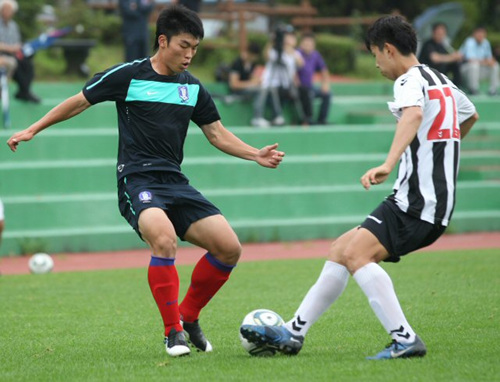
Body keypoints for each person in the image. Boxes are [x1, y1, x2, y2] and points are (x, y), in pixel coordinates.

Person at [7, 5, 284, 358]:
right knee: (164, 240)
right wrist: (32, 129)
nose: (189, 54)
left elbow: (216, 133)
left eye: (195, 48)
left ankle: (188, 316)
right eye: (184, 45)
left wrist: (254, 154)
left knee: (229, 247)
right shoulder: (129, 76)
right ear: (163, 40)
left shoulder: (192, 87)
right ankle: (173, 333)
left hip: (175, 182)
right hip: (137, 179)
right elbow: (79, 102)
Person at [240, 15, 478, 360]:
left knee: (356, 255)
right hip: (428, 201)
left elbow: (412, 115)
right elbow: (469, 116)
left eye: (375, 55)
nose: (377, 63)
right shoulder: (440, 80)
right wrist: (438, 148)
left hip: (416, 202)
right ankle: (293, 332)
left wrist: (388, 163)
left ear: (388, 49)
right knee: (341, 249)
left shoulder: (408, 80)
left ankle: (405, 339)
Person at [251, 27, 304, 128]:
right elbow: (266, 56)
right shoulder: (275, 51)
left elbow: (301, 63)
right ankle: (274, 116)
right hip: (272, 84)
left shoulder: (293, 52)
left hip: (287, 84)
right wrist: (272, 41)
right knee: (271, 89)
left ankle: (300, 118)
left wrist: (290, 48)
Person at [0, 0, 40, 103]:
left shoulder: (13, 25)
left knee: (27, 63)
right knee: (14, 63)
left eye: (10, 10)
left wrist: (19, 49)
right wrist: (10, 48)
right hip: (3, 54)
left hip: (13, 54)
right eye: (5, 9)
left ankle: (24, 91)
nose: (7, 12)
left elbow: (17, 43)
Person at [297, 32, 331, 126]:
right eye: (305, 43)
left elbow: (324, 70)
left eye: (310, 44)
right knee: (307, 93)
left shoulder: (315, 55)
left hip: (310, 86)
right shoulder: (297, 54)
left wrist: (325, 84)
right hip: (300, 87)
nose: (308, 46)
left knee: (327, 94)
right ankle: (308, 119)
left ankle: (322, 119)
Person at [418, 22, 463, 88]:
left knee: (455, 64)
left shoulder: (443, 45)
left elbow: (448, 56)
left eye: (442, 33)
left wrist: (455, 56)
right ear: (434, 33)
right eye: (438, 33)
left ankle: (457, 86)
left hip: (440, 71)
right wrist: (452, 57)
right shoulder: (428, 44)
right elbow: (435, 58)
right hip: (428, 71)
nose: (440, 35)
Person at [459, 26, 499, 96]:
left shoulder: (486, 42)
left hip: (479, 70)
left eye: (482, 34)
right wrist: (486, 62)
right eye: (478, 33)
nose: (480, 35)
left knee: (495, 65)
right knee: (474, 65)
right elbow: (471, 60)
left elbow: (489, 59)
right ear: (474, 34)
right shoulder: (469, 41)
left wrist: (491, 61)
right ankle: (473, 89)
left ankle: (493, 90)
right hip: (466, 70)